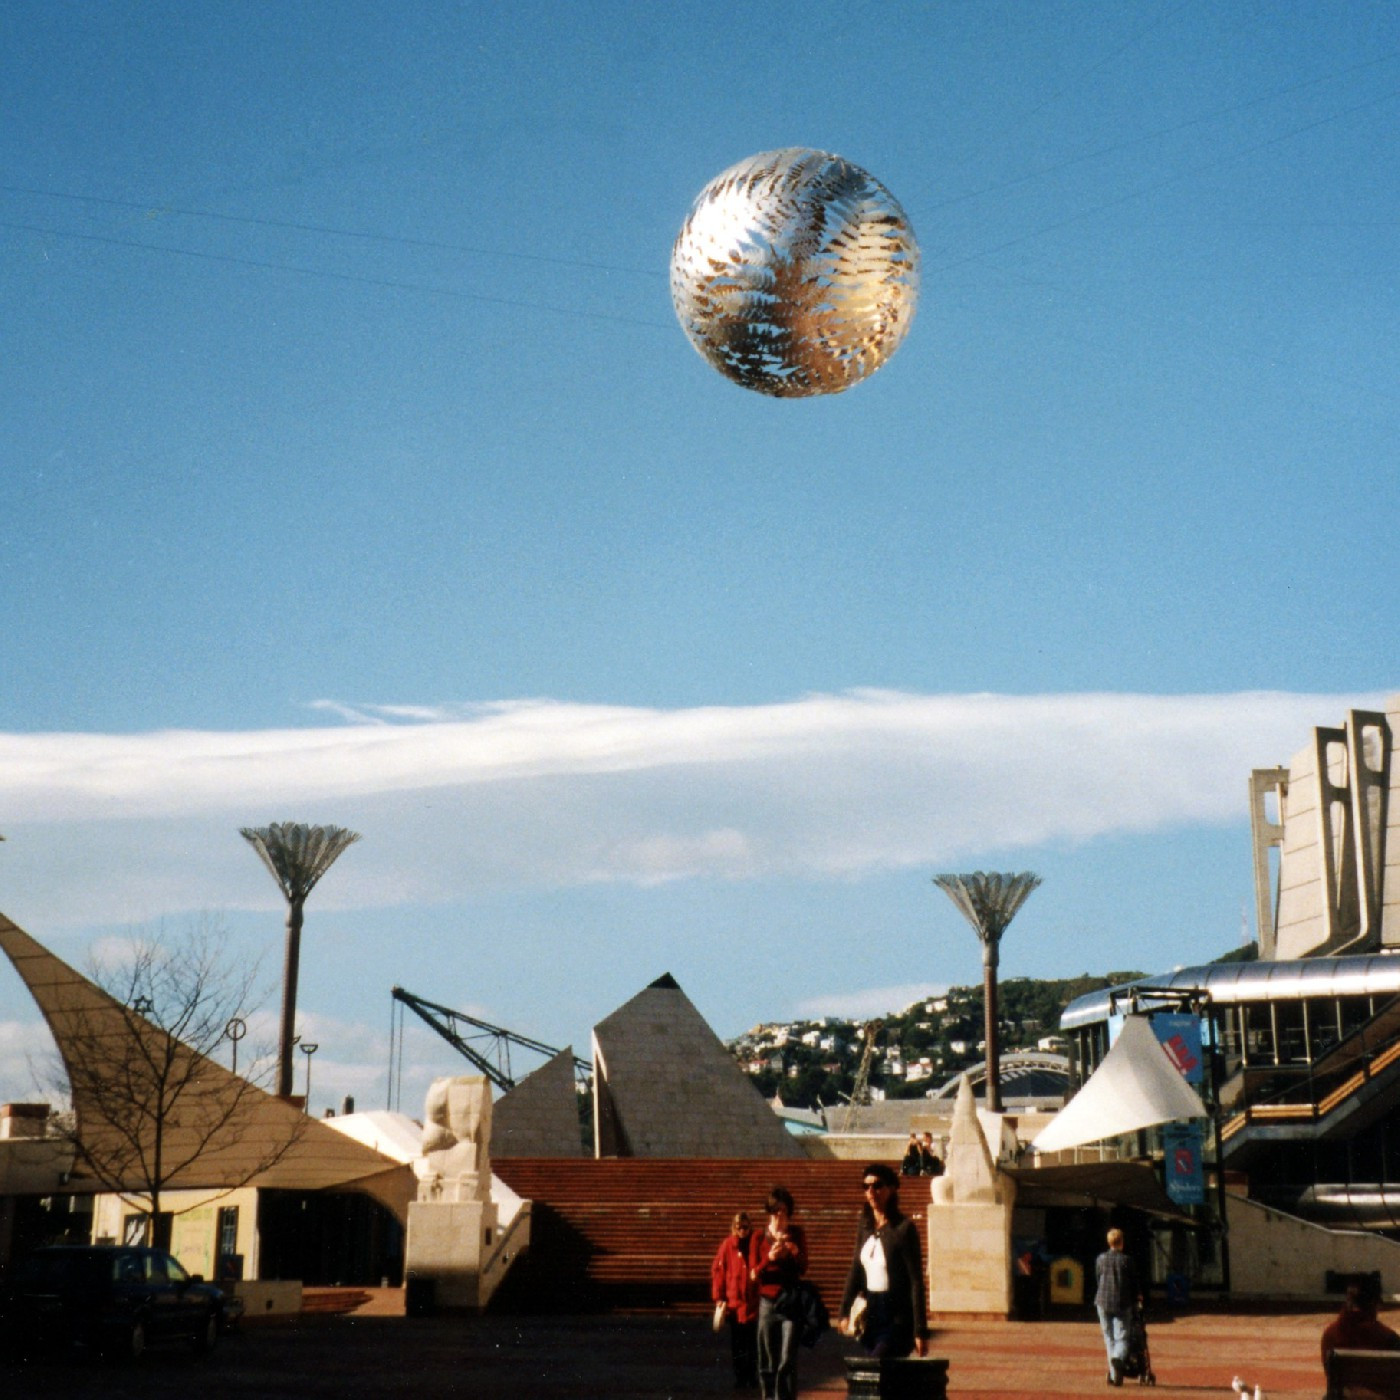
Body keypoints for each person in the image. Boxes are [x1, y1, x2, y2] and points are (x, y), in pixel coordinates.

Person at [837, 1162, 929, 1360]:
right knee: (880, 1382)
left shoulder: (904, 1229)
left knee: (876, 1366)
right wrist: (844, 1311)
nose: (871, 1191)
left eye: (877, 1185)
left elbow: (915, 1281)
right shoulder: (865, 1227)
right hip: (871, 1313)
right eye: (866, 1186)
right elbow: (856, 1270)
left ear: (891, 1189)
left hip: (896, 1316)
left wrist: (920, 1331)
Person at [750, 1186, 807, 1400]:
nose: (780, 1215)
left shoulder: (797, 1234)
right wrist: (769, 1260)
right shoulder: (758, 1237)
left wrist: (792, 1252)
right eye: (775, 1211)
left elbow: (803, 1267)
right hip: (767, 1302)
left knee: (787, 1359)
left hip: (790, 1301)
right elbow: (754, 1274)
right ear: (769, 1212)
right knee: (767, 1359)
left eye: (784, 1210)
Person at [712, 1211, 758, 1389]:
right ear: (734, 1228)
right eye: (739, 1228)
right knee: (738, 1344)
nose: (742, 1231)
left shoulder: (755, 1244)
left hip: (752, 1303)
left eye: (745, 1227)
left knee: (752, 1344)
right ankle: (740, 1377)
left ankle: (752, 1376)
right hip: (735, 1303)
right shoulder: (728, 1246)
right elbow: (718, 1271)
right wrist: (719, 1297)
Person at [1320, 1274, 1400, 1375]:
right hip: (1380, 1389)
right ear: (1373, 1303)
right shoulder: (1386, 1337)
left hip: (1343, 1390)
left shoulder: (1330, 1335)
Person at [1094, 1227, 1142, 1387]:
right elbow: (1133, 1282)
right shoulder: (1127, 1260)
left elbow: (1098, 1277)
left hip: (1102, 1301)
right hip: (1122, 1302)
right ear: (1122, 1242)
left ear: (1109, 1242)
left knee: (1108, 1337)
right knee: (1122, 1336)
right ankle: (1118, 1358)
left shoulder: (1100, 1259)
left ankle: (1115, 1376)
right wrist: (1138, 1296)